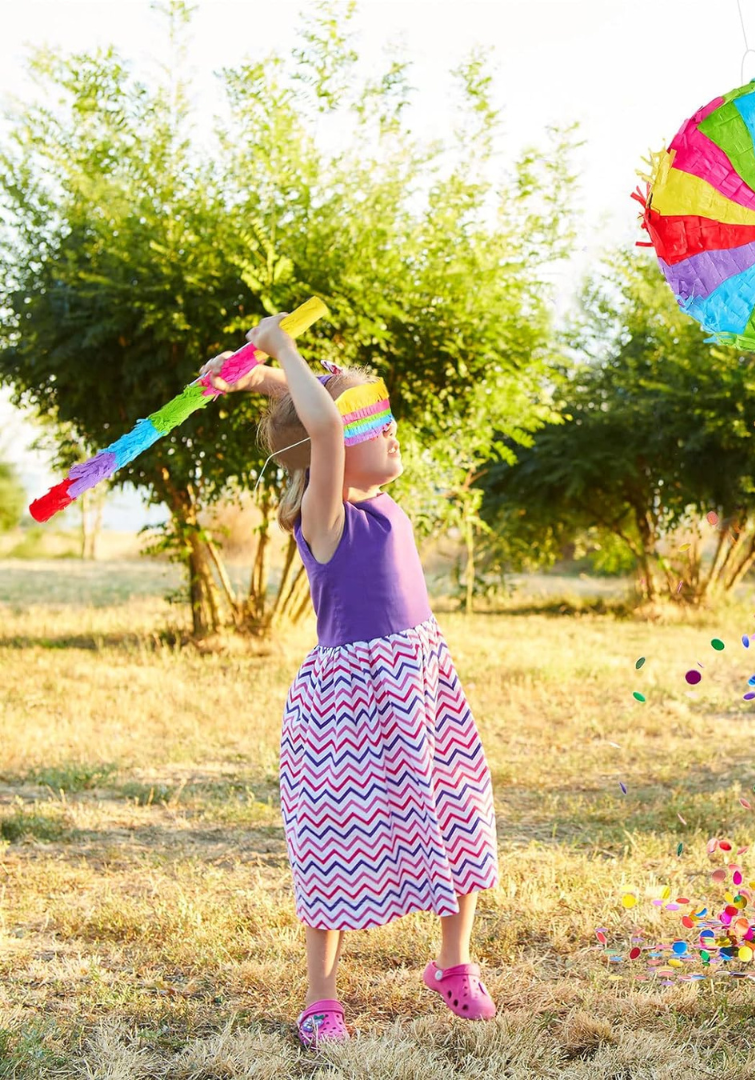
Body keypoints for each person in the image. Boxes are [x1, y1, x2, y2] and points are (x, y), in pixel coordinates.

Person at [199, 312, 500, 1046]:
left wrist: (262, 377)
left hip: (420, 688)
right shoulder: (324, 516)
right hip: (354, 707)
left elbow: (324, 419)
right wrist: (280, 347)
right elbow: (326, 429)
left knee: (456, 814)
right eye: (375, 423)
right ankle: (322, 996)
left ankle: (453, 963)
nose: (390, 432)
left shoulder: (382, 502)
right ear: (324, 444)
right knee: (339, 846)